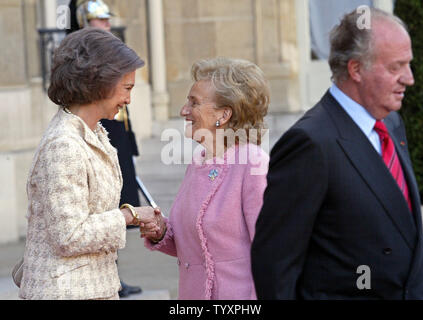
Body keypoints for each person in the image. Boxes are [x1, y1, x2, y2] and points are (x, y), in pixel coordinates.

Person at [251, 8, 423, 300]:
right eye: (396, 67)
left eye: (408, 65)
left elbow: (404, 240)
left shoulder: (391, 123)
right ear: (356, 69)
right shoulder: (310, 143)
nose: (409, 78)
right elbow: (274, 264)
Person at [19, 28, 161, 300]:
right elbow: (69, 235)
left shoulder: (92, 132)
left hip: (92, 288)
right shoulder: (63, 143)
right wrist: (129, 215)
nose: (129, 99)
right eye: (127, 88)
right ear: (100, 82)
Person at [141, 57, 270, 299]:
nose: (183, 111)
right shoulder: (198, 162)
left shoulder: (252, 163)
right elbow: (195, 249)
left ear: (223, 114)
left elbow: (270, 252)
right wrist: (160, 231)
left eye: (194, 102)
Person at [68, 0, 144, 297]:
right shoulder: (86, 59)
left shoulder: (110, 54)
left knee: (119, 203)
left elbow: (122, 108)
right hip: (102, 136)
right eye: (101, 21)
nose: (107, 25)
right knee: (106, 210)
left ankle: (113, 275)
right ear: (87, 21)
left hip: (117, 138)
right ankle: (110, 275)